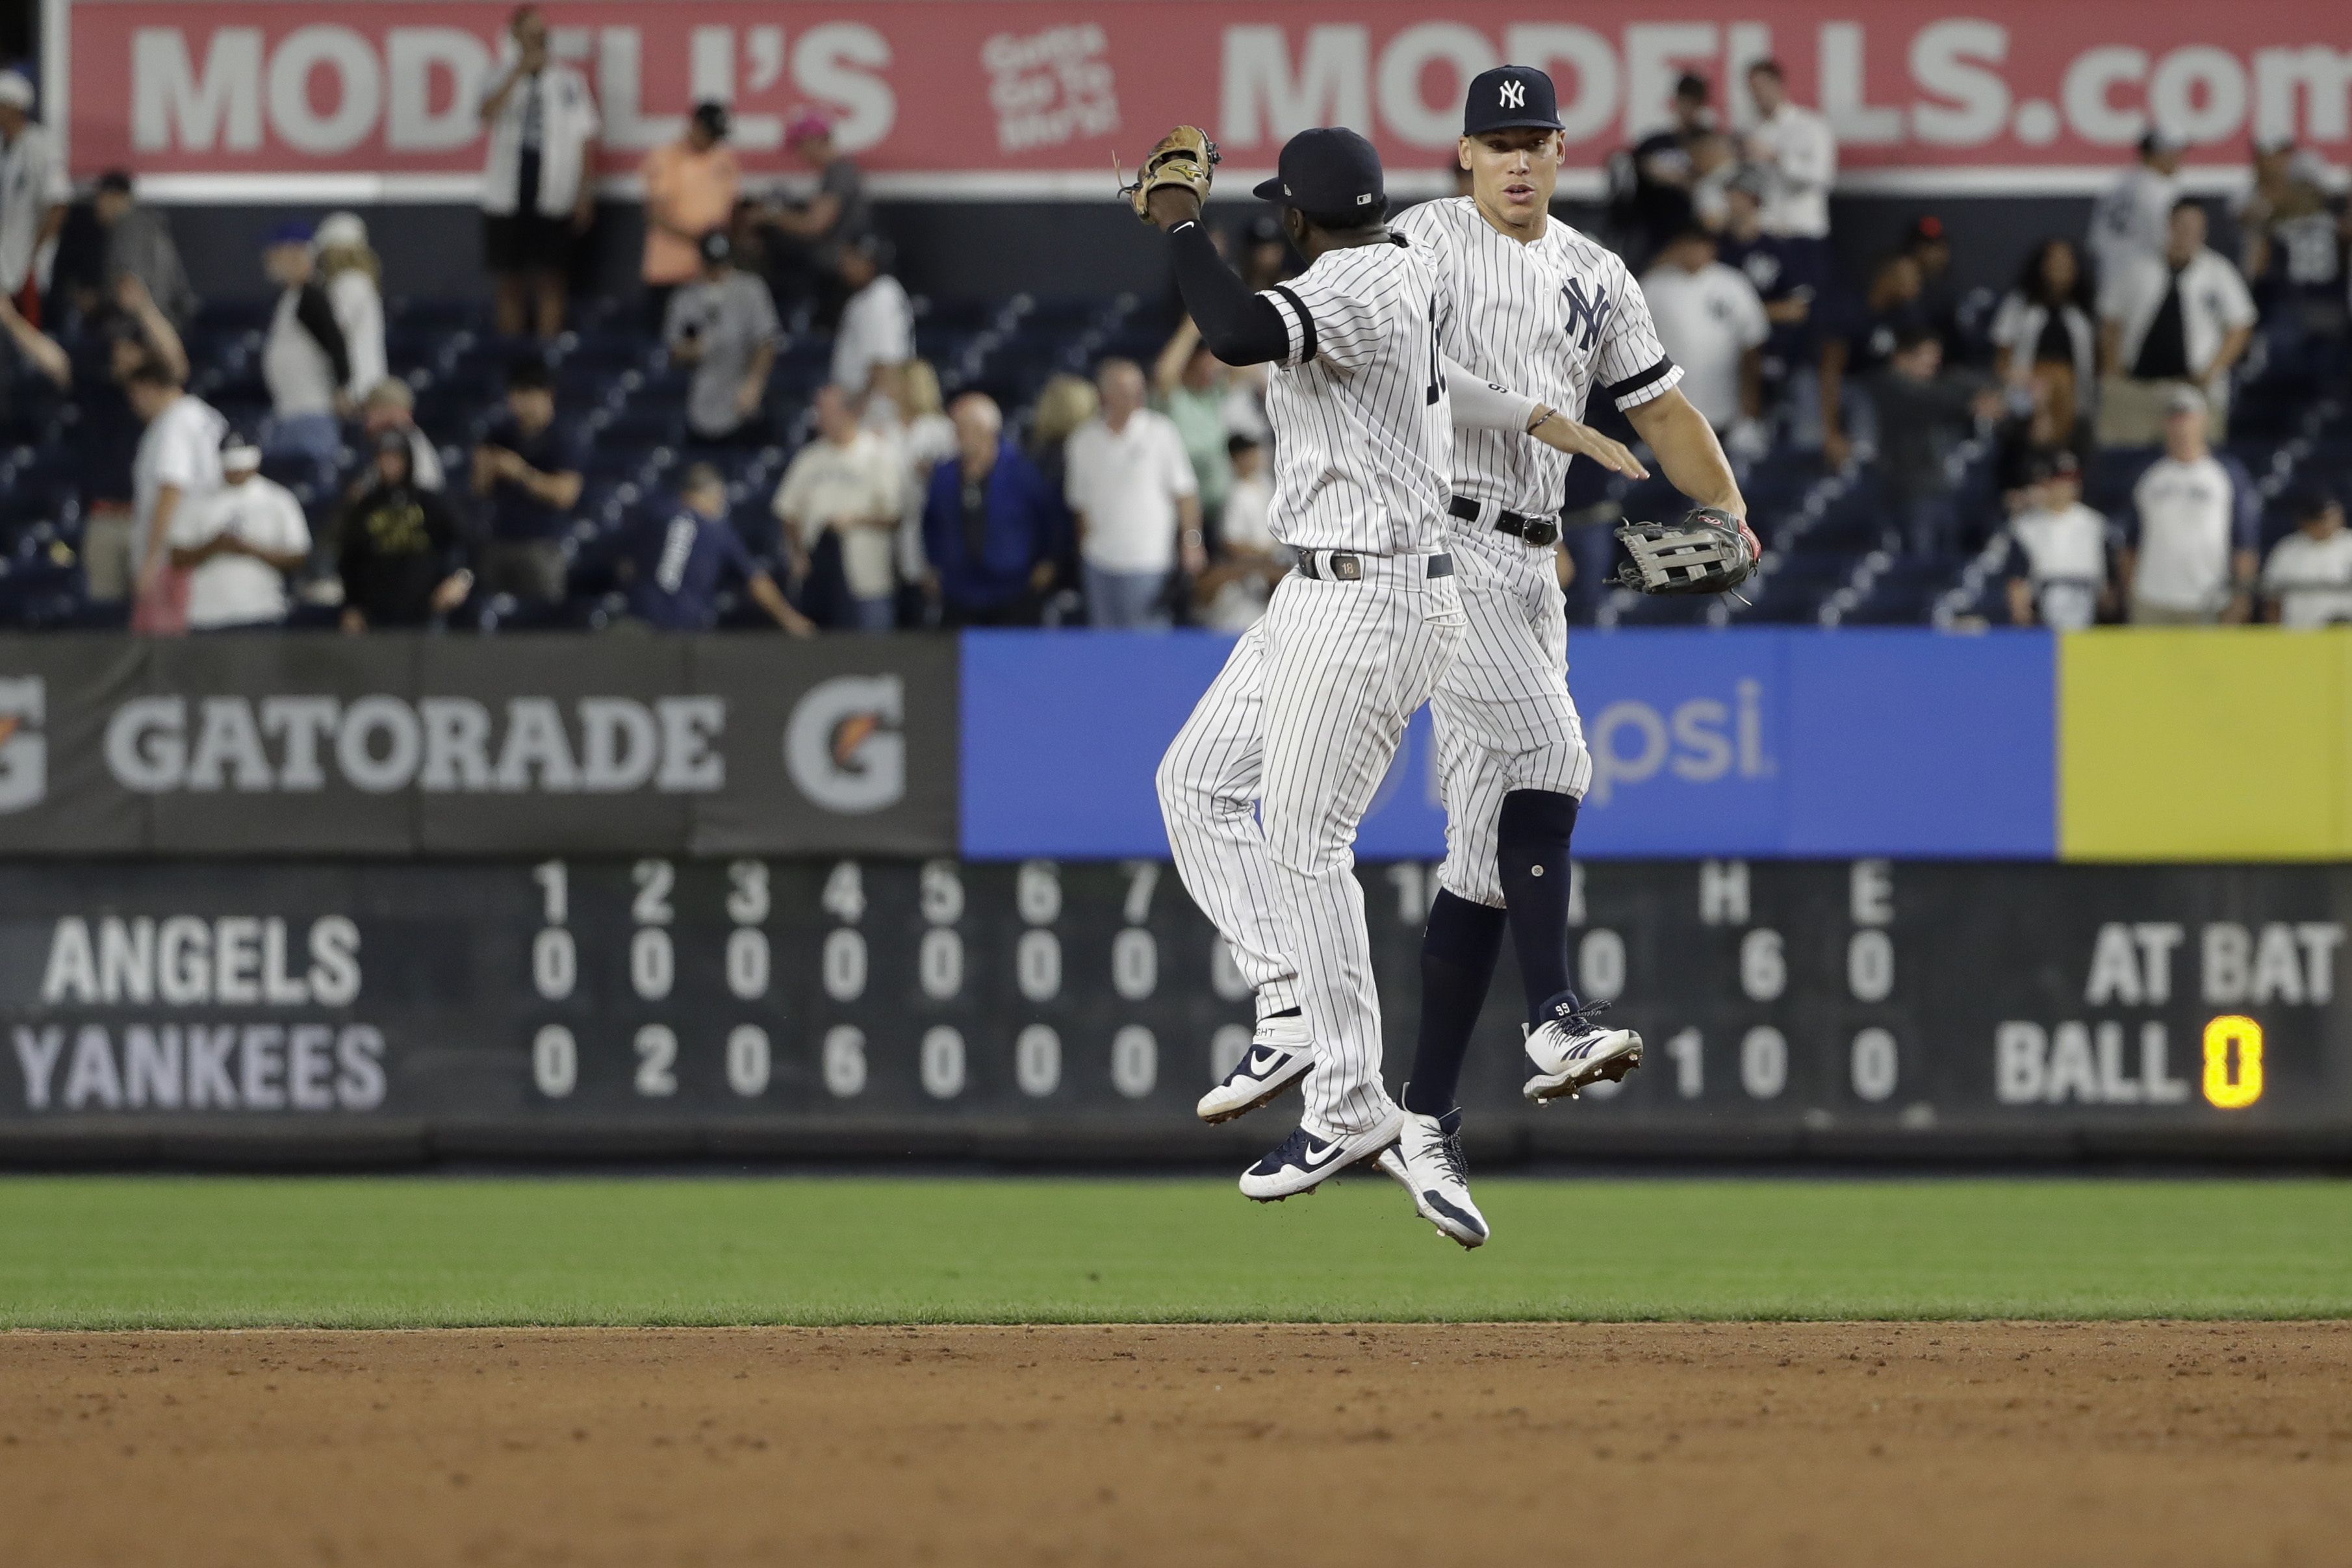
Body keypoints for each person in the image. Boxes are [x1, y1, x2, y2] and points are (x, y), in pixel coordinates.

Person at [1142, 121, 1640, 1213]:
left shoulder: (1361, 280)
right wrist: (1542, 415)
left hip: (1374, 594)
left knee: (1309, 843)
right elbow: (1442, 383)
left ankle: (1350, 1099)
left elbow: (1228, 330)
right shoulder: (1398, 271)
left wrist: (1180, 224)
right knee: (1194, 782)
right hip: (1320, 584)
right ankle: (1290, 1008)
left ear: (1297, 214)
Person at [1349, 66, 1739, 1243]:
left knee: (1478, 856)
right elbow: (1400, 373)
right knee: (1555, 757)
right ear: (1464, 155)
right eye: (1495, 140)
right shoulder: (1419, 243)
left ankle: (1422, 1117)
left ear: (1563, 153)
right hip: (1436, 542)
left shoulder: (1595, 272)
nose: (1516, 159)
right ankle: (1555, 1013)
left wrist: (1727, 508)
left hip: (1533, 566)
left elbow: (1660, 410)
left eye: (1535, 140)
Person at [11, 275, 187, 600]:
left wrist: (145, 310)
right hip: (104, 517)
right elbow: (51, 359)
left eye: (131, 347)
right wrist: (10, 319)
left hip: (149, 520)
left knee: (156, 614)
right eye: (118, 347)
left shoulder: (154, 398)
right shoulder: (96, 391)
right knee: (103, 622)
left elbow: (176, 363)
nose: (123, 353)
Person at [478, 3, 600, 339]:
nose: (536, 41)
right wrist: (518, 72)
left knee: (551, 275)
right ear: (516, 37)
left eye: (541, 35)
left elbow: (584, 136)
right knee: (510, 276)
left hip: (554, 188)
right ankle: (511, 355)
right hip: (507, 188)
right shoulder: (498, 74)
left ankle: (546, 354)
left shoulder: (568, 81)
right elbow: (486, 114)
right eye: (529, 35)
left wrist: (584, 193)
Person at [2097, 201, 2256, 446]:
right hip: (2137, 387)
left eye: (2194, 228)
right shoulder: (2136, 267)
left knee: (2191, 461)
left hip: (2194, 389)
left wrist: (2212, 371)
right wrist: (2112, 372)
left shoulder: (2218, 271)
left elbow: (2241, 325)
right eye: (2181, 225)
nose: (2186, 234)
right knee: (2125, 461)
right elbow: (2111, 320)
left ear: (2204, 232)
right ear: (2168, 226)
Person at [1062, 358, 1203, 627]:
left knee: (1147, 646)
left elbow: (1185, 493)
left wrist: (1192, 543)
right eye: (1125, 391)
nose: (1134, 398)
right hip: (1099, 561)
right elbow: (1079, 504)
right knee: (1104, 646)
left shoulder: (1161, 432)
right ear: (1105, 394)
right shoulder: (1083, 440)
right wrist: (1086, 548)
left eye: (1138, 390)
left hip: (1149, 561)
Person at [921, 392, 1067, 626]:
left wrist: (1047, 561)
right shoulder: (944, 475)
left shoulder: (1023, 473)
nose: (956, 436)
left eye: (963, 429)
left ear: (986, 432)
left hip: (1013, 588)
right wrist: (932, 564)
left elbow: (1049, 520)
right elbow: (930, 522)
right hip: (959, 589)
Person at [2120, 385, 2258, 624]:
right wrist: (2131, 592)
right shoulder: (2147, 475)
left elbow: (2244, 541)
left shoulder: (2227, 474)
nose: (2181, 426)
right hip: (2152, 599)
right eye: (2174, 419)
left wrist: (2241, 598)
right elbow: (2131, 540)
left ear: (2203, 421)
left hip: (2209, 598)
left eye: (2187, 418)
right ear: (2164, 424)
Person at [770, 384, 902, 629]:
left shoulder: (879, 454)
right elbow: (787, 511)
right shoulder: (810, 458)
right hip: (820, 575)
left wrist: (855, 520)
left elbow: (894, 516)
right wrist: (797, 553)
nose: (819, 418)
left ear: (848, 413)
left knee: (872, 655)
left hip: (867, 578)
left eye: (825, 411)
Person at [621, 463, 812, 633]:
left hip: (639, 621)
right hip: (684, 631)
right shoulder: (717, 530)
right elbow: (756, 580)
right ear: (714, 494)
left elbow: (626, 565)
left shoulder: (653, 514)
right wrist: (789, 619)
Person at [1872, 329, 2002, 554]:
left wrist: (1989, 393)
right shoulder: (1889, 385)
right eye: (1926, 355)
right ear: (1902, 357)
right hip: (1908, 491)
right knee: (1920, 563)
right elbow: (1929, 402)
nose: (1934, 362)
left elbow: (1957, 386)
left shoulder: (1938, 386)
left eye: (1936, 356)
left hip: (1942, 489)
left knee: (1946, 564)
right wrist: (1972, 405)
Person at [124, 357, 229, 632]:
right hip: (195, 550)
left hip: (172, 558)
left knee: (163, 655)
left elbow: (171, 488)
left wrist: (151, 559)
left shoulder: (174, 423)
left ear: (149, 387)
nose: (134, 404)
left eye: (135, 393)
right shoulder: (201, 416)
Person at [167, 434, 311, 632]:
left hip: (262, 612)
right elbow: (176, 557)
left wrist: (252, 549)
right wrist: (215, 546)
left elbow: (298, 555)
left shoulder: (278, 499)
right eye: (230, 468)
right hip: (206, 616)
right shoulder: (197, 500)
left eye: (240, 467)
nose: (235, 473)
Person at [1641, 225, 1770, 445]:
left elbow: (1752, 346)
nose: (1695, 252)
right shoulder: (1653, 285)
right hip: (1669, 410)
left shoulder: (1733, 283)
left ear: (1712, 248)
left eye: (1701, 245)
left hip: (1727, 411)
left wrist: (1750, 409)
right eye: (1689, 245)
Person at [470, 357, 585, 603]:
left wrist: (521, 473)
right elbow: (479, 489)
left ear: (548, 395)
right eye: (517, 395)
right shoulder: (500, 434)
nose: (522, 403)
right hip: (498, 541)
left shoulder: (563, 438)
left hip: (540, 545)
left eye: (530, 394)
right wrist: (484, 466)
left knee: (542, 626)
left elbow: (566, 495)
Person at [336, 431, 474, 631]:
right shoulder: (365, 507)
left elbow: (467, 541)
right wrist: (352, 605)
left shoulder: (430, 502)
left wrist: (459, 578)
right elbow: (350, 560)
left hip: (426, 611)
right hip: (375, 614)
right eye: (384, 457)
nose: (390, 464)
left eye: (396, 457)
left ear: (409, 460)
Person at [664, 230, 779, 449]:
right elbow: (673, 348)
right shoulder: (685, 296)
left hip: (741, 393)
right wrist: (691, 350)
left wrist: (754, 384)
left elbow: (767, 341)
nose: (717, 270)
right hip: (699, 396)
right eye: (712, 264)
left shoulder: (750, 288)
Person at [259, 221, 352, 490]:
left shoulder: (312, 297)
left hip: (311, 414)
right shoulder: (291, 297)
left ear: (295, 255)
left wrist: (342, 386)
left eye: (275, 254)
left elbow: (335, 343)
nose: (269, 261)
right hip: (290, 413)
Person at [753, 108, 874, 309]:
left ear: (815, 140)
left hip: (842, 274)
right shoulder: (834, 173)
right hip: (832, 272)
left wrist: (770, 215)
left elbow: (814, 225)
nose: (800, 154)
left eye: (800, 145)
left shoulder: (840, 172)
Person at [1819, 249, 1927, 470]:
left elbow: (1907, 365)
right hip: (1825, 382)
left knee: (1864, 452)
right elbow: (1830, 371)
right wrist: (1831, 433)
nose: (1917, 283)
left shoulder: (1905, 315)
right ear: (1889, 278)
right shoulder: (1850, 309)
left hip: (1865, 386)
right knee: (1812, 441)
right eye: (1910, 277)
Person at [1741, 59, 1835, 301]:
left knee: (1806, 308)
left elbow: (1822, 177)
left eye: (1763, 85)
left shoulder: (1811, 126)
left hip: (1803, 235)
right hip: (1765, 235)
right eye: (1752, 87)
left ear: (1780, 85)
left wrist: (1776, 158)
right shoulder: (1752, 131)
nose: (1758, 93)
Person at [641, 102, 739, 333]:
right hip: (670, 271)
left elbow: (728, 212)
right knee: (671, 343)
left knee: (714, 343)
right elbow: (656, 216)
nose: (714, 140)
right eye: (710, 133)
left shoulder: (725, 160)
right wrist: (702, 240)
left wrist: (718, 246)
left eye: (718, 135)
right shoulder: (666, 157)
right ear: (695, 126)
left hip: (712, 272)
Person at [1989, 239, 2097, 429]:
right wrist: (2023, 383)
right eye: (2054, 261)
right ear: (2041, 266)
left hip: (2072, 400)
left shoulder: (2082, 315)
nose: (2060, 268)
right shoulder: (2018, 305)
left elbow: (2091, 368)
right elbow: (2002, 359)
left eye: (2066, 263)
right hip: (2025, 393)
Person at [2004, 449, 2111, 629]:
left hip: (2089, 613)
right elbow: (2017, 581)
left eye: (2071, 481)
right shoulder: (2026, 527)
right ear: (2046, 484)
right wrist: (2021, 615)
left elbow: (2109, 588)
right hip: (2042, 617)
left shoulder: (2096, 524)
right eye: (2060, 481)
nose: (2066, 487)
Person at [1194, 434, 1286, 631]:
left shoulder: (1268, 486)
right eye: (1249, 455)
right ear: (1237, 459)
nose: (1255, 459)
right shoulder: (1236, 494)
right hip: (1246, 572)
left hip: (1274, 563)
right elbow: (1231, 543)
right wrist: (1261, 557)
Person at [1152, 318, 1237, 531]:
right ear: (1190, 362)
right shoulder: (1173, 397)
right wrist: (1192, 326)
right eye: (1206, 364)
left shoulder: (1214, 394)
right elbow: (1164, 372)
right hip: (1180, 512)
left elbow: (1249, 365)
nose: (1213, 371)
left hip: (1216, 508)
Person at [1622, 73, 1715, 264]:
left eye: (1695, 103)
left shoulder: (1710, 141)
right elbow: (1641, 169)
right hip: (1653, 227)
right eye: (1685, 101)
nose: (1689, 109)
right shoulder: (1655, 143)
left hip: (1693, 230)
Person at [0, 71, 68, 326]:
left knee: (28, 333)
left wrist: (33, 256)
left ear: (15, 107)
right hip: (4, 260)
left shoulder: (43, 145)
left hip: (28, 265)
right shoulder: (3, 146)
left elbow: (58, 206)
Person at [88, 171, 198, 327]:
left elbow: (130, 293)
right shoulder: (148, 222)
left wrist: (97, 301)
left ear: (115, 197)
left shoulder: (127, 228)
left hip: (151, 324)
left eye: (100, 198)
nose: (97, 206)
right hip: (174, 319)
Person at [312, 213, 388, 408]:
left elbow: (332, 331)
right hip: (361, 384)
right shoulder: (357, 282)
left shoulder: (350, 283)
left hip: (355, 388)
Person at [830, 234, 914, 412]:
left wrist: (858, 410)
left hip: (875, 411)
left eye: (852, 258)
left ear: (870, 262)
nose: (844, 264)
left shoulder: (882, 295)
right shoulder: (863, 297)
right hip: (860, 406)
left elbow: (884, 364)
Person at [2088, 131, 2183, 283]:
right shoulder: (2161, 189)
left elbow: (2096, 238)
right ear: (2154, 154)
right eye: (2173, 152)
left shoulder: (2119, 182)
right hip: (2145, 275)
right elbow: (2165, 243)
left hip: (2107, 271)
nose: (2179, 159)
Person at [2259, 488, 2352, 627]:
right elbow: (2273, 602)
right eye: (2323, 518)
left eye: (2333, 516)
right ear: (2306, 521)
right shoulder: (2287, 549)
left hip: (2344, 636)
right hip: (2299, 635)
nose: (2329, 523)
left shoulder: (2349, 544)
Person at [357, 379, 443, 493]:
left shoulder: (409, 444)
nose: (367, 422)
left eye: (372, 412)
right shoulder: (387, 443)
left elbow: (422, 493)